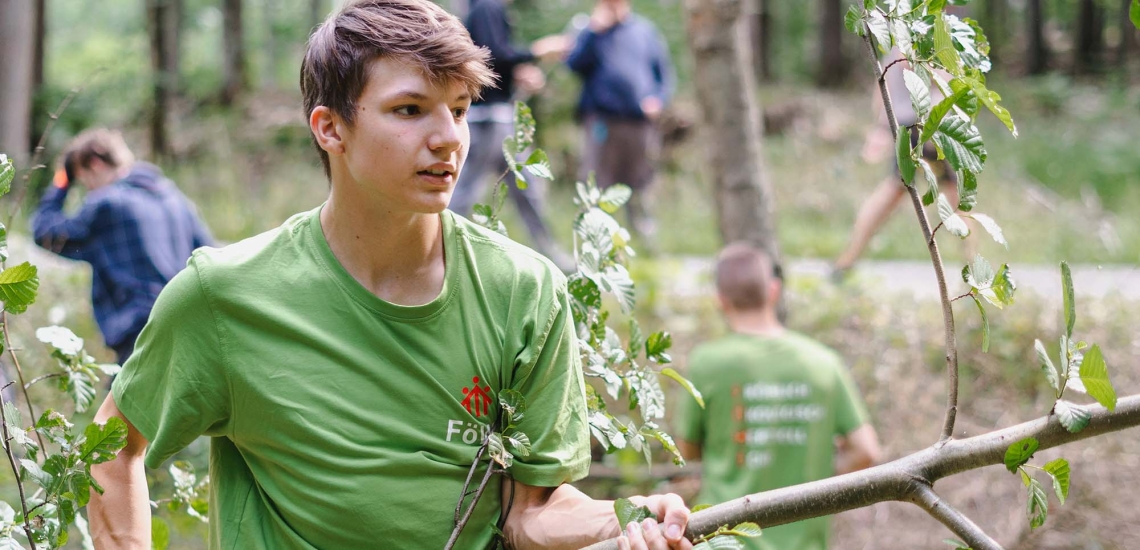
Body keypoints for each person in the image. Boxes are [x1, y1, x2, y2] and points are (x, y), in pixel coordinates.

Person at [87, 2, 691, 549]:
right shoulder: (225, 296)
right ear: (330, 128)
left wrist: (623, 517)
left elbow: (530, 512)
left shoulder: (523, 291)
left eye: (458, 110)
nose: (447, 139)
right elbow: (112, 452)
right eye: (410, 110)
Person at [675, 242, 882, 550]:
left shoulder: (707, 362)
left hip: (722, 542)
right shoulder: (823, 362)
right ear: (773, 291)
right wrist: (816, 479)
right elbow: (867, 451)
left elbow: (687, 450)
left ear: (721, 300)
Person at [31, 128, 213, 364]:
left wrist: (62, 179)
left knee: (123, 400)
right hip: (190, 331)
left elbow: (45, 232)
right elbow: (211, 257)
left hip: (141, 336)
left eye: (83, 179)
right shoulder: (176, 200)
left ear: (95, 165)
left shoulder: (105, 203)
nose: (87, 189)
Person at [452, 0, 574, 270]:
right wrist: (538, 51)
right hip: (488, 120)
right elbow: (490, 55)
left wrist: (517, 74)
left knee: (527, 187)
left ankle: (552, 256)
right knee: (464, 192)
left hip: (501, 118)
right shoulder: (487, 6)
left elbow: (493, 63)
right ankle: (438, 253)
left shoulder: (481, 8)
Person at [832, 49, 967, 279]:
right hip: (922, 126)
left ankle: (846, 262)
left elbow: (884, 81)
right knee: (947, 197)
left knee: (951, 196)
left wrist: (881, 126)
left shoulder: (905, 31)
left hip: (918, 124)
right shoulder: (920, 31)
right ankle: (845, 262)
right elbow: (913, 68)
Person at [566, 0, 673, 241]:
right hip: (602, 121)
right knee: (596, 180)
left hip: (639, 123)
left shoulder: (645, 31)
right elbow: (573, 65)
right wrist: (594, 32)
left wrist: (658, 99)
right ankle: (595, 240)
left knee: (641, 180)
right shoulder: (590, 32)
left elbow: (664, 74)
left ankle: (644, 239)